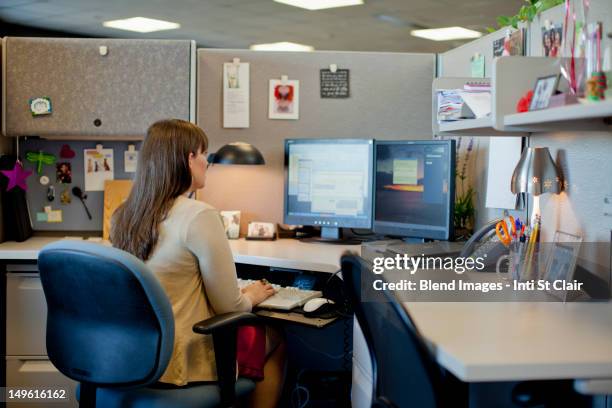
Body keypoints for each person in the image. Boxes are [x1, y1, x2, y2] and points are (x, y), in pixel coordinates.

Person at [110, 119, 286, 407]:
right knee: (276, 336)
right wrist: (252, 295)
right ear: (190, 158)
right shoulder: (199, 215)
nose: (207, 162)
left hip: (132, 357)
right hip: (181, 360)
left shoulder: (124, 215)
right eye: (204, 154)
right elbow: (229, 306)